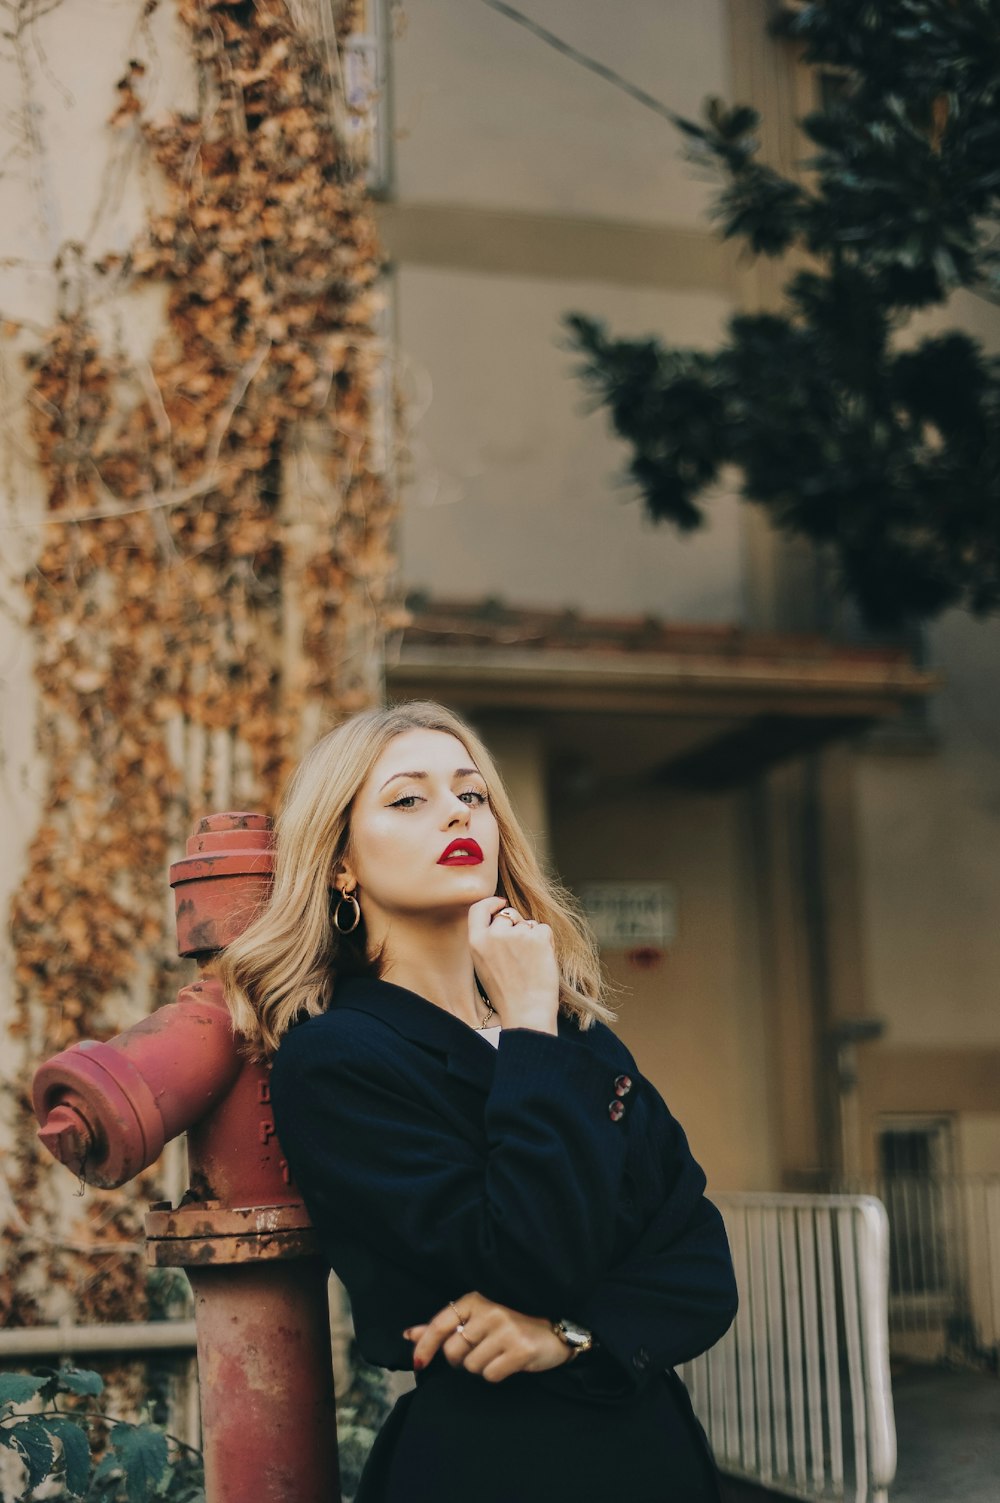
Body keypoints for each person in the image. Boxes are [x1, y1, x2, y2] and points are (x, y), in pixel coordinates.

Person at [219, 700, 738, 1503]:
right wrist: (528, 1026)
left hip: (655, 1457)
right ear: (340, 864)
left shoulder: (578, 1036)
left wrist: (568, 1336)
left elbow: (703, 1268)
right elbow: (529, 1254)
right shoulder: (339, 1059)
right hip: (494, 1467)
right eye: (408, 798)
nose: (456, 812)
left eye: (472, 793)